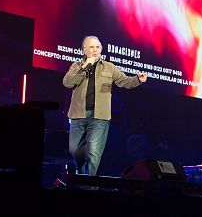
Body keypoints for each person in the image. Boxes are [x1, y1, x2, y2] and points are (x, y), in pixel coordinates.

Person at [63, 35, 147, 176]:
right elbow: (67, 82)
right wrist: (84, 67)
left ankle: (89, 183)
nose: (95, 50)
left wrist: (137, 79)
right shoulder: (76, 66)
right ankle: (82, 175)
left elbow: (124, 81)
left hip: (99, 117)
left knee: (93, 152)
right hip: (78, 114)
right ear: (84, 50)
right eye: (91, 47)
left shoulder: (109, 67)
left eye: (98, 47)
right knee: (74, 150)